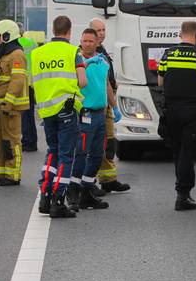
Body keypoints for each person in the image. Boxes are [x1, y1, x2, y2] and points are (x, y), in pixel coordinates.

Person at [32, 16, 88, 218]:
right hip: (66, 108)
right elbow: (82, 82)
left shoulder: (37, 53)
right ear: (69, 31)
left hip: (46, 110)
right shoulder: (74, 52)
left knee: (52, 152)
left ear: (54, 30)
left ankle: (45, 195)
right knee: (66, 155)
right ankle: (58, 200)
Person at [157, 21, 196, 211]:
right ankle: (183, 195)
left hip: (171, 110)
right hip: (192, 110)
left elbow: (160, 81)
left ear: (180, 34)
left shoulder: (168, 54)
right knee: (188, 153)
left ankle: (181, 191)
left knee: (177, 150)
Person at [72, 28, 114, 210]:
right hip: (85, 113)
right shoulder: (76, 59)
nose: (87, 44)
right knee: (80, 153)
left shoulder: (103, 60)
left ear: (97, 43)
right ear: (80, 41)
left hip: (100, 114)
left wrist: (115, 106)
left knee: (97, 155)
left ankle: (87, 191)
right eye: (84, 40)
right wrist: (86, 64)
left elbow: (107, 85)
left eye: (91, 41)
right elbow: (73, 81)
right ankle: (73, 192)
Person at [90, 18, 129, 193]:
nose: (102, 33)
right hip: (98, 104)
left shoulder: (102, 51)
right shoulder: (89, 53)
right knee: (98, 145)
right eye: (98, 30)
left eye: (103, 29)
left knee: (109, 143)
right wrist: (113, 105)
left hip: (106, 102)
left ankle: (108, 180)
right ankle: (90, 183)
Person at [0, 20, 29, 186]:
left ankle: (12, 175)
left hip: (10, 107)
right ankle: (1, 172)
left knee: (11, 141)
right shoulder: (2, 53)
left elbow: (17, 81)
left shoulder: (16, 54)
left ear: (8, 35)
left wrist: (8, 104)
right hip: (0, 106)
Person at [16, 23, 37, 152]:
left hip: (21, 82)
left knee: (23, 114)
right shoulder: (31, 42)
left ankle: (26, 141)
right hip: (31, 83)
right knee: (30, 115)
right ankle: (32, 141)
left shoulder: (15, 44)